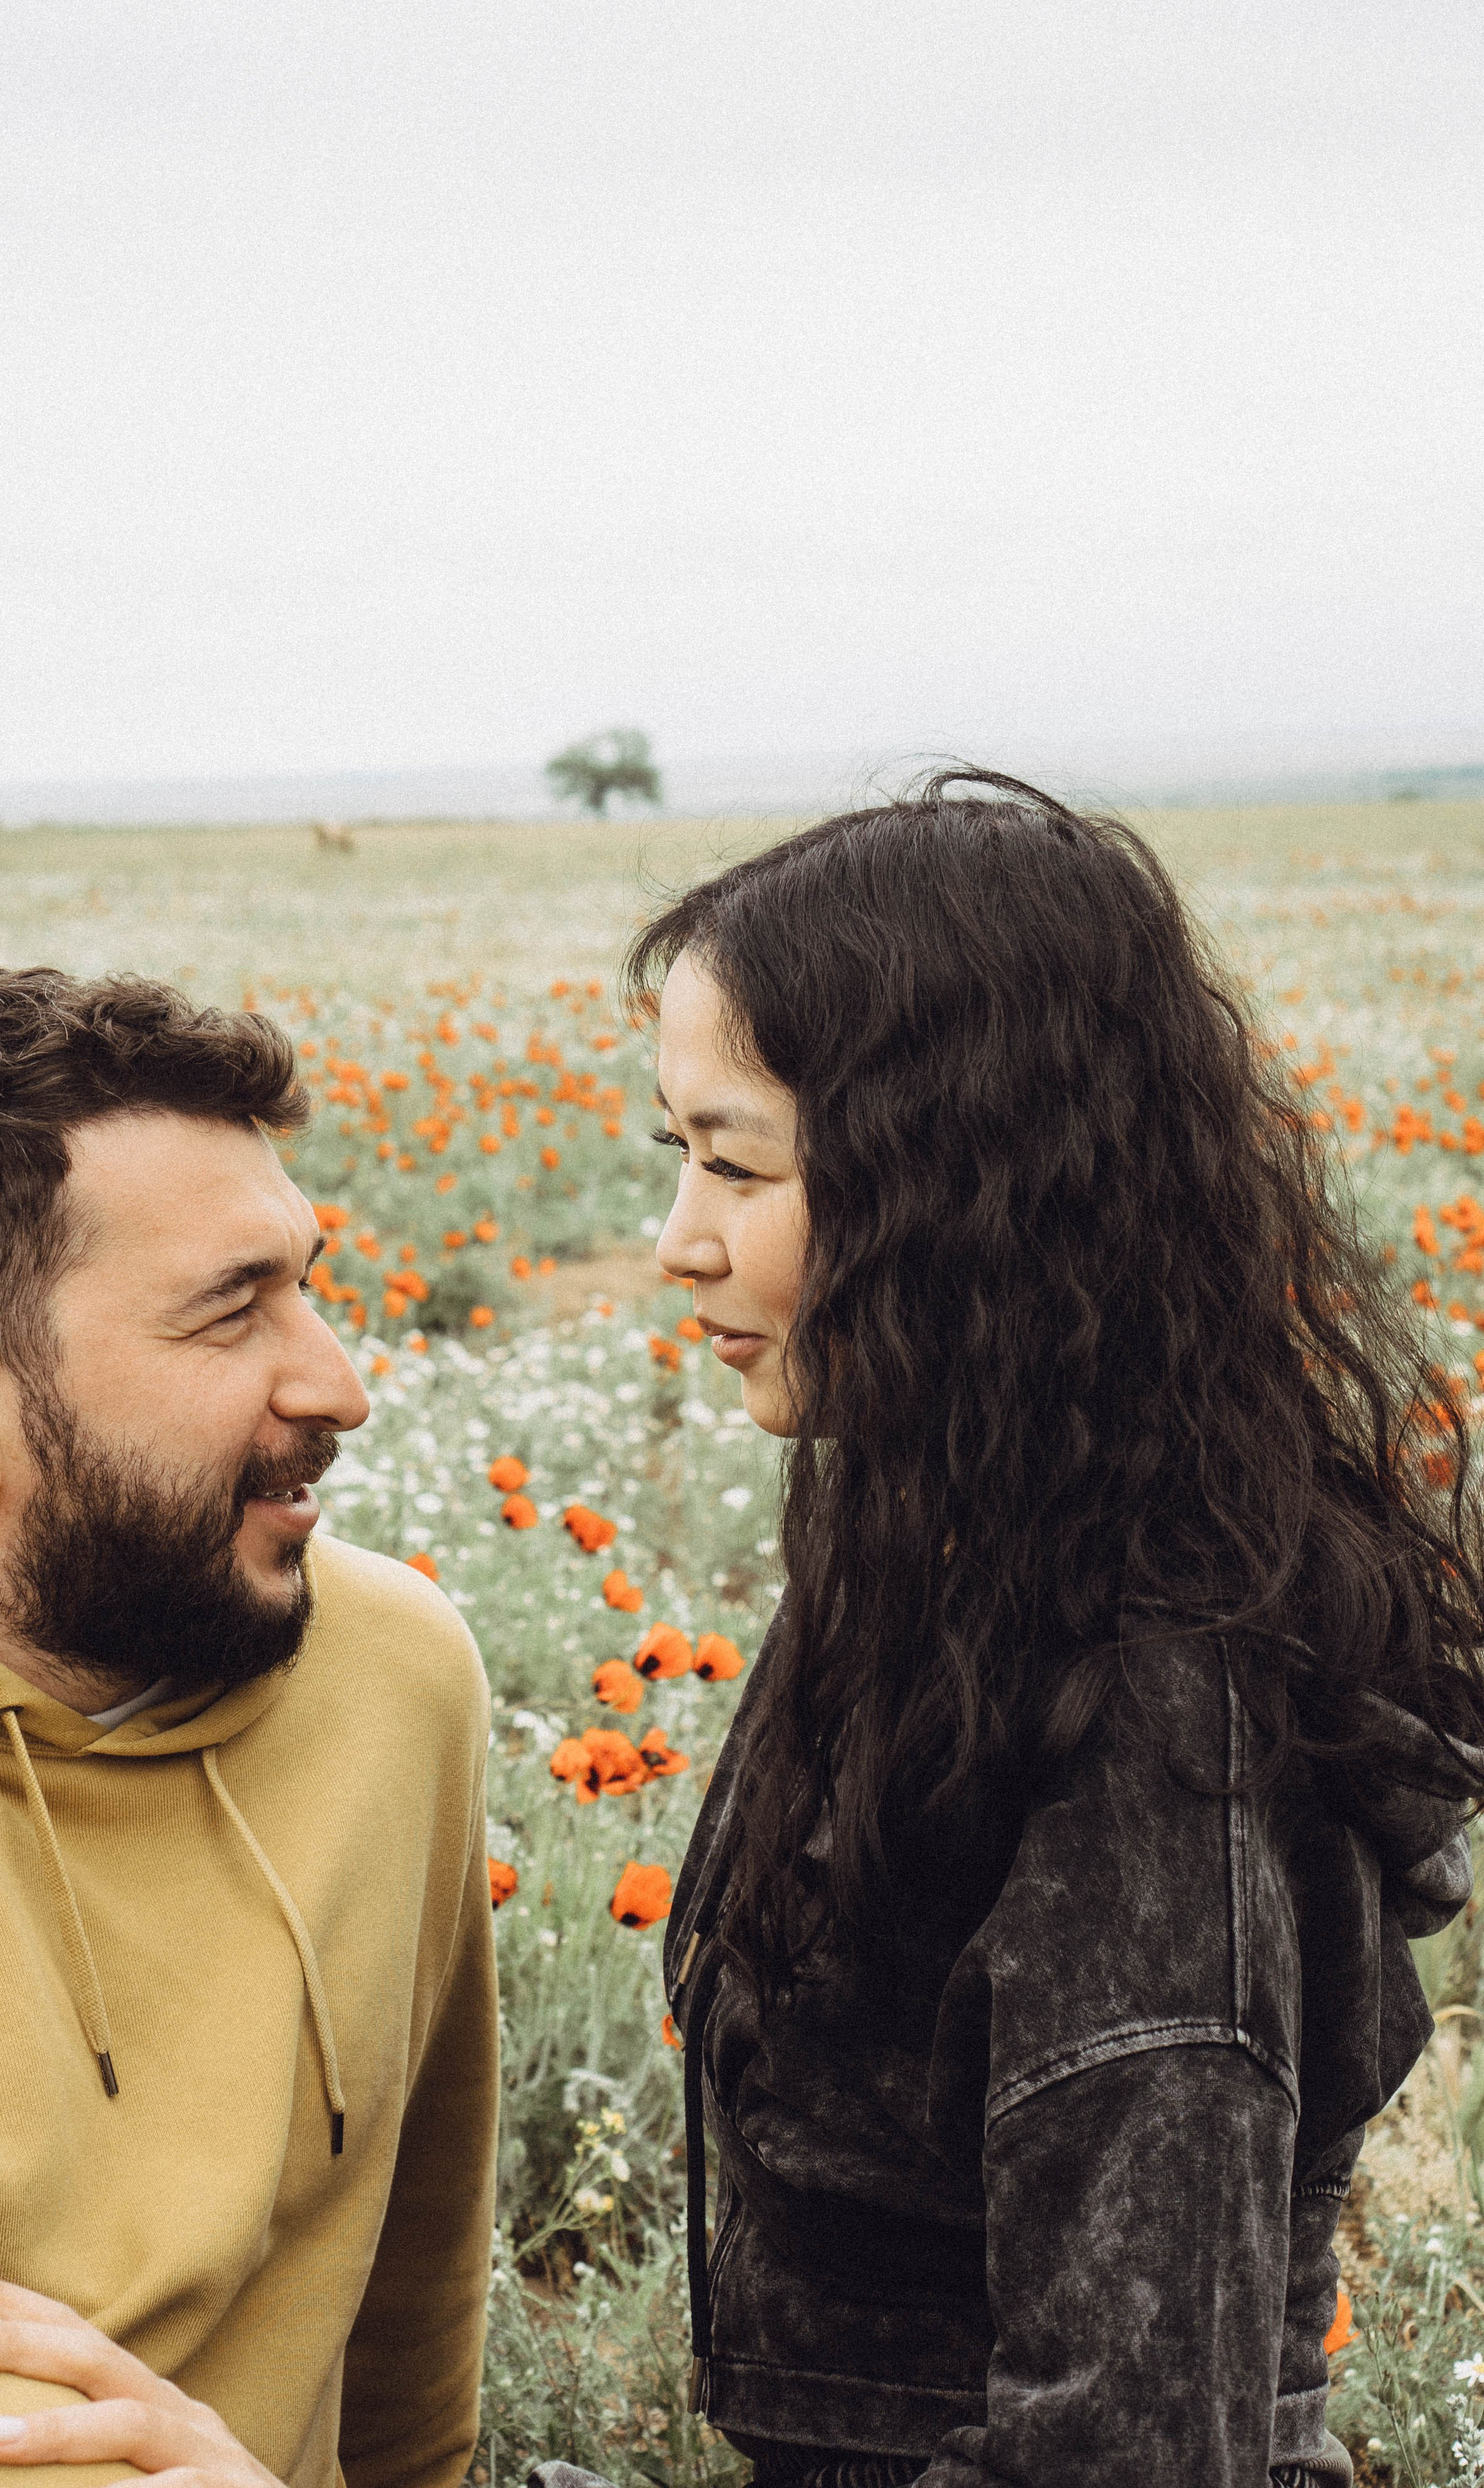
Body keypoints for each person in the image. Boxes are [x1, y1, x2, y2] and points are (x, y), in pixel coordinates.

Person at [631, 774, 1482, 2488]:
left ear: (955, 1186)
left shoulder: (1159, 1733)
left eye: (735, 1162)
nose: (679, 1244)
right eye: (679, 1159)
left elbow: (1129, 2456)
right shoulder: (960, 1546)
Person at [0, 969, 498, 2486]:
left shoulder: (391, 1671)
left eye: (307, 1283)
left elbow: (412, 2327)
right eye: (228, 1313)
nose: (339, 1381)